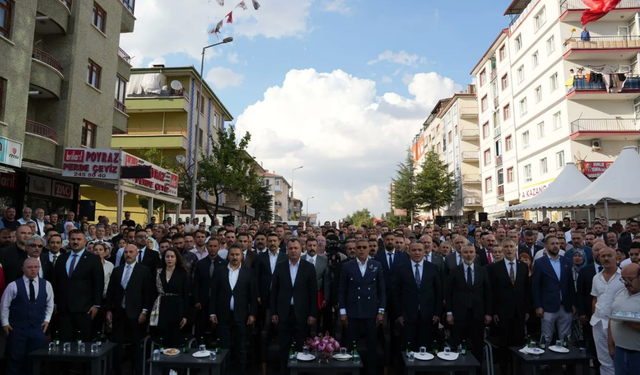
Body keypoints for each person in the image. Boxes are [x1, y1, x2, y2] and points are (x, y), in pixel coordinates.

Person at [270, 238, 318, 375]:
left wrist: (312, 313)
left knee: (301, 345)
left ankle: (300, 371)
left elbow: (313, 293)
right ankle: (284, 371)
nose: (293, 251)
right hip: (284, 313)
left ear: (301, 249)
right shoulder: (280, 266)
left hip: (301, 313)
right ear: (287, 250)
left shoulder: (309, 267)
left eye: (295, 248)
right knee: (284, 345)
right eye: (290, 248)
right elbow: (274, 291)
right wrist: (274, 312)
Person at [339, 239, 385, 375]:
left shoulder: (376, 265)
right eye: (358, 247)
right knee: (351, 346)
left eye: (364, 247)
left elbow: (382, 290)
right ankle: (351, 371)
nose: (361, 250)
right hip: (352, 312)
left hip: (371, 312)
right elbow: (342, 290)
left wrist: (381, 311)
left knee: (371, 347)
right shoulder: (348, 266)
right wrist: (343, 312)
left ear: (368, 249)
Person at [106, 244, 153, 375]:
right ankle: (117, 371)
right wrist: (109, 310)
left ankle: (136, 371)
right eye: (126, 252)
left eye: (131, 252)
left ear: (136, 254)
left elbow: (147, 293)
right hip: (119, 312)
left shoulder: (144, 270)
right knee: (117, 345)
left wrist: (144, 311)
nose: (128, 254)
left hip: (136, 313)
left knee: (135, 345)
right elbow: (111, 291)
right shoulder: (117, 270)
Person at [0, 258, 54, 375]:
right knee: (15, 358)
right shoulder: (13, 286)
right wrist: (5, 323)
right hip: (17, 328)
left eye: (36, 267)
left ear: (39, 268)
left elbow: (49, 304)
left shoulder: (46, 285)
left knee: (35, 358)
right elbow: (4, 305)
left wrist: (47, 320)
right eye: (30, 267)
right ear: (23, 269)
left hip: (37, 328)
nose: (33, 270)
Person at [210, 245, 258, 371]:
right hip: (223, 315)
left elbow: (253, 296)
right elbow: (214, 294)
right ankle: (224, 371)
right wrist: (212, 313)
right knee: (224, 346)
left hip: (241, 315)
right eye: (232, 254)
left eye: (237, 254)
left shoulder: (249, 273)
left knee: (241, 346)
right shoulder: (219, 271)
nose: (235, 257)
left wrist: (252, 314)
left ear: (242, 256)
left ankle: (240, 371)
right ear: (228, 256)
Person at [51, 229, 104, 342]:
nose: (75, 242)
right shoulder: (62, 258)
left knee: (82, 342)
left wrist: (96, 305)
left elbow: (98, 283)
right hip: (63, 308)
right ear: (69, 241)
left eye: (78, 239)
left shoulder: (93, 259)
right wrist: (55, 302)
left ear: (85, 241)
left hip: (84, 308)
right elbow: (55, 282)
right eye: (73, 239)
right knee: (64, 342)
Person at [487, 239, 529, 375]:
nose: (509, 249)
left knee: (518, 344)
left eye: (511, 246)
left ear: (516, 249)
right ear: (502, 249)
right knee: (503, 345)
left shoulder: (523, 266)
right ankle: (504, 371)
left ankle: (517, 370)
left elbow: (526, 290)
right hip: (502, 313)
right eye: (506, 247)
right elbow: (491, 291)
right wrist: (493, 312)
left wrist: (527, 309)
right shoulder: (494, 268)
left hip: (519, 312)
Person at [446, 244, 492, 363]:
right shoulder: (455, 271)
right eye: (465, 252)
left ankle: (477, 368)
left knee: (477, 343)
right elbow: (448, 293)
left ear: (475, 254)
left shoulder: (482, 270)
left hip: (478, 313)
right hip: (459, 313)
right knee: (459, 343)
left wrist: (488, 313)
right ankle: (460, 368)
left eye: (471, 252)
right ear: (461, 255)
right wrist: (449, 312)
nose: (468, 255)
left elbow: (487, 293)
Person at [394, 241, 442, 352]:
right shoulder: (401, 269)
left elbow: (438, 292)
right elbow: (396, 293)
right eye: (414, 250)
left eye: (419, 250)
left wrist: (437, 313)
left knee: (426, 347)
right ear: (408, 252)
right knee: (409, 348)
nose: (417, 253)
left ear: (424, 251)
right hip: (407, 316)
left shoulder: (433, 268)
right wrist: (398, 314)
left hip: (428, 315)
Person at [532, 234, 574, 351]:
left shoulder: (566, 261)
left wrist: (573, 303)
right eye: (552, 244)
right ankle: (544, 363)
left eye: (557, 243)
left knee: (565, 337)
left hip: (565, 305)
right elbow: (536, 286)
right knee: (546, 336)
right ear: (546, 246)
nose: (556, 246)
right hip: (547, 306)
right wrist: (538, 306)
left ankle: (565, 363)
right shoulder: (540, 263)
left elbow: (570, 284)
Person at [588, 247, 624, 375]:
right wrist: (594, 316)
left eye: (609, 256)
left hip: (617, 324)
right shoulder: (596, 278)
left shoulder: (623, 278)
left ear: (616, 258)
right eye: (603, 256)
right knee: (603, 359)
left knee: (616, 357)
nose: (606, 258)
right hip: (598, 322)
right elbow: (595, 299)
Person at [149, 248, 189, 348]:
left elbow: (186, 295)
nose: (169, 259)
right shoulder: (158, 272)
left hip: (177, 308)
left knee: (175, 336)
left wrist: (185, 315)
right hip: (162, 307)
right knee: (162, 336)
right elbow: (153, 292)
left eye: (172, 257)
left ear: (176, 258)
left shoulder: (182, 273)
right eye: (167, 257)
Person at [608, 263, 640, 375]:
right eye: (623, 279)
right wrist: (611, 346)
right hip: (620, 351)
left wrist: (627, 321)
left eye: (630, 279)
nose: (626, 283)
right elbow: (611, 320)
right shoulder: (620, 293)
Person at [193, 238, 227, 340]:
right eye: (210, 246)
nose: (212, 249)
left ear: (219, 247)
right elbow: (196, 283)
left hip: (218, 301)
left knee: (217, 326)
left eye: (215, 246)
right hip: (203, 300)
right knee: (203, 325)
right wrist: (196, 299)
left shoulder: (224, 264)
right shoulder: (201, 263)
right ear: (207, 247)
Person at [303, 238, 331, 332]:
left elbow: (326, 280)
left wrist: (326, 298)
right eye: (309, 245)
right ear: (305, 246)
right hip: (302, 295)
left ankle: (317, 342)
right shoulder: (300, 259)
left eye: (314, 245)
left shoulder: (323, 261)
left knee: (317, 320)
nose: (312, 248)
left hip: (318, 295)